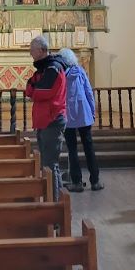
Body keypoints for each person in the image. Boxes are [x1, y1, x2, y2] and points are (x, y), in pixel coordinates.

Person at [25, 35, 66, 200]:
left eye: (32, 51)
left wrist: (34, 90)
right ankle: (58, 202)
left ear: (42, 50)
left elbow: (42, 92)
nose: (30, 54)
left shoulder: (52, 68)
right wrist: (34, 89)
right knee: (48, 165)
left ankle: (54, 207)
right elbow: (29, 87)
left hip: (52, 120)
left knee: (50, 166)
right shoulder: (43, 69)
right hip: (44, 120)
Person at [56, 48, 103, 193]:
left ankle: (76, 182)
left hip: (68, 116)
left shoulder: (61, 75)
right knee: (89, 148)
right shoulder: (81, 72)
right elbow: (89, 92)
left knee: (72, 150)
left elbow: (58, 96)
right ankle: (95, 181)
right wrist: (92, 112)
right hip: (84, 114)